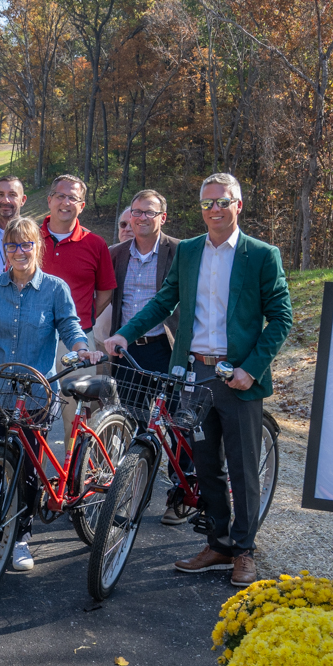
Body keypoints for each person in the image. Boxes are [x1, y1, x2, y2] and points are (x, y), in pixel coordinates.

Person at [104, 173, 292, 587]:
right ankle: (219, 543)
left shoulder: (261, 255)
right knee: (205, 466)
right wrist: (125, 333)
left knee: (242, 468)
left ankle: (244, 551)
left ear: (237, 206)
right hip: (193, 374)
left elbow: (282, 317)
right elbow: (163, 302)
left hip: (238, 376)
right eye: (207, 203)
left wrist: (251, 368)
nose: (215, 210)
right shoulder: (188, 252)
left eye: (223, 202)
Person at [0, 217, 102, 572]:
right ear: (5, 250)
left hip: (35, 393)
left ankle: (21, 537)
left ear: (37, 248)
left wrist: (79, 345)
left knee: (27, 469)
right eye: (12, 245)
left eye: (26, 244)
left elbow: (70, 324)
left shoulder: (55, 289)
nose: (20, 251)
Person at [105, 190, 182, 520]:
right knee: (134, 427)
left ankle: (180, 496)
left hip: (167, 348)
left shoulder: (180, 252)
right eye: (136, 212)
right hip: (128, 355)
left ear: (162, 217)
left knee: (180, 424)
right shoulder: (116, 254)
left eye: (149, 212)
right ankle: (135, 497)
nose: (141, 217)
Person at [40, 175, 116, 452]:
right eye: (60, 195)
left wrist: (83, 317)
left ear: (81, 205)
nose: (65, 202)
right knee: (35, 416)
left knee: (75, 419)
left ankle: (72, 484)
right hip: (36, 340)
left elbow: (105, 292)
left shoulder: (95, 244)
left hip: (77, 342)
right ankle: (32, 484)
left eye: (72, 198)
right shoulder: (30, 238)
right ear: (49, 200)